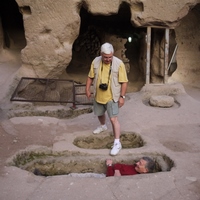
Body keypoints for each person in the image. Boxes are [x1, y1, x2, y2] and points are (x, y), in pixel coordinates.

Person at [86, 42, 128, 156]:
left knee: (114, 119)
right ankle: (103, 126)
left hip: (112, 96)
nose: (108, 59)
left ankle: (117, 143)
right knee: (99, 113)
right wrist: (87, 89)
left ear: (113, 54)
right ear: (101, 54)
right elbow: (90, 76)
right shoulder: (95, 61)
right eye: (105, 57)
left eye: (110, 57)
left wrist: (122, 97)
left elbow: (124, 82)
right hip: (98, 95)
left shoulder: (119, 64)